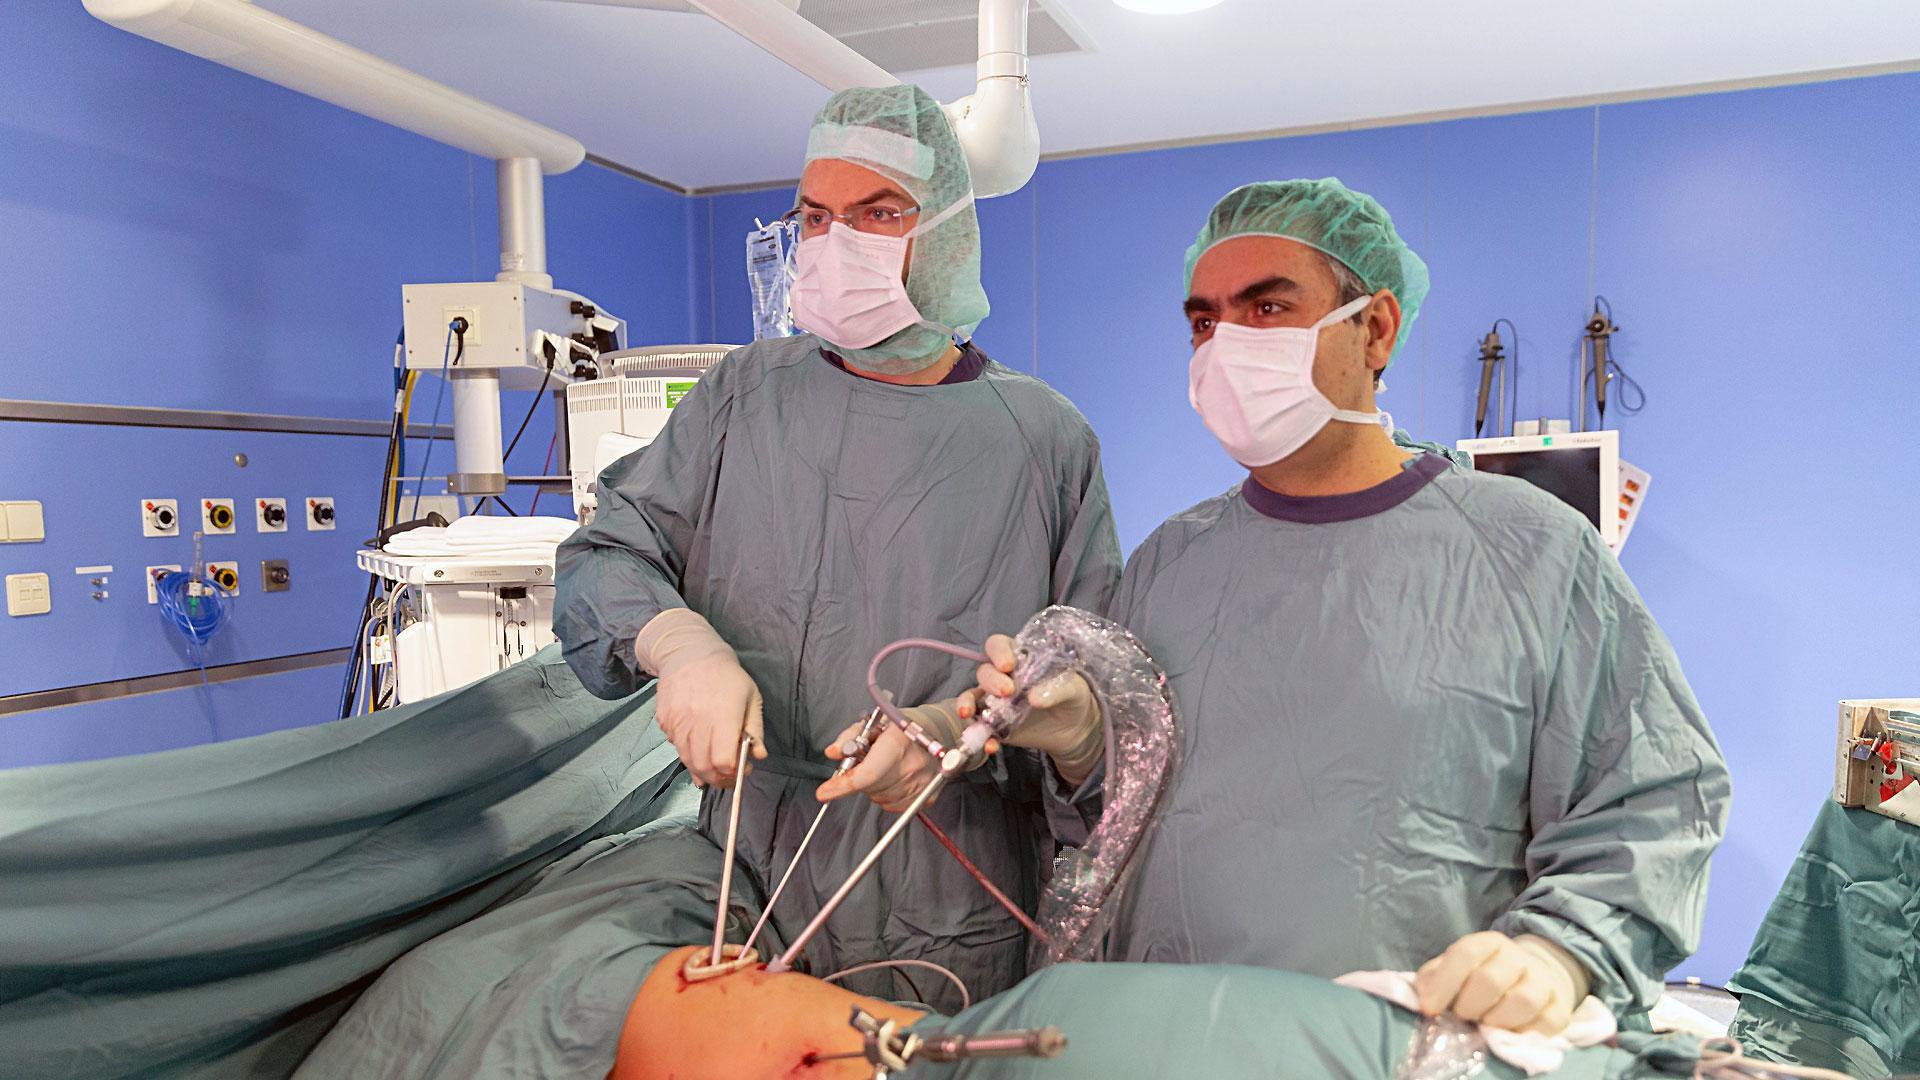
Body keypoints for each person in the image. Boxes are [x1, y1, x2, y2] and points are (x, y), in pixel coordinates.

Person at [967, 179, 1732, 1034]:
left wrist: (1560, 953)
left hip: (1412, 1047)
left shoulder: (1532, 551)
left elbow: (1651, 797)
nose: (1227, 346)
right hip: (1186, 1040)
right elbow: (1128, 829)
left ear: (1376, 329)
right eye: (1205, 322)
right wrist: (1084, 750)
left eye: (1268, 308)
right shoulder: (1170, 564)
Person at [552, 84, 1121, 1011]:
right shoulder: (742, 397)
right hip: (746, 869)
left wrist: (954, 738)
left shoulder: (1044, 441)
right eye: (816, 216)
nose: (836, 241)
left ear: (946, 235)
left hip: (953, 894)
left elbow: (1094, 696)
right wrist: (679, 647)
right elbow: (605, 555)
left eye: (878, 213)